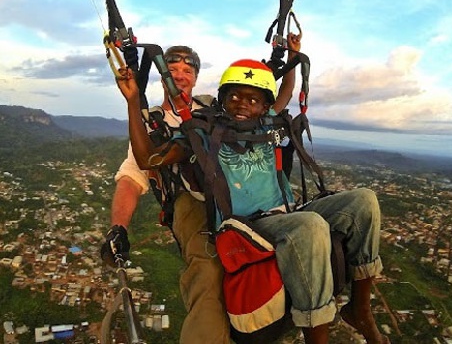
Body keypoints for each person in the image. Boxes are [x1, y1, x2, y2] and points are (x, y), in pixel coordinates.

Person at [119, 58, 389, 344]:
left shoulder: (268, 126)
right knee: (309, 225)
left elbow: (285, 92)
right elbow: (148, 158)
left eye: (252, 99)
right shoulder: (203, 132)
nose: (242, 103)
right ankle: (316, 336)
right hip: (247, 226)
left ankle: (360, 308)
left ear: (264, 106)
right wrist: (133, 101)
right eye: (234, 96)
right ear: (222, 100)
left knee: (364, 202)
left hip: (286, 213)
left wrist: (292, 60)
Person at [103, 36, 302, 344]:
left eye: (187, 70)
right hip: (191, 201)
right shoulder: (152, 124)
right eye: (173, 68)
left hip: (237, 193)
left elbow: (262, 100)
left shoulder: (213, 108)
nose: (180, 75)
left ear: (195, 78)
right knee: (209, 270)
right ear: (163, 74)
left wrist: (289, 58)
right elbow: (133, 176)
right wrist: (119, 227)